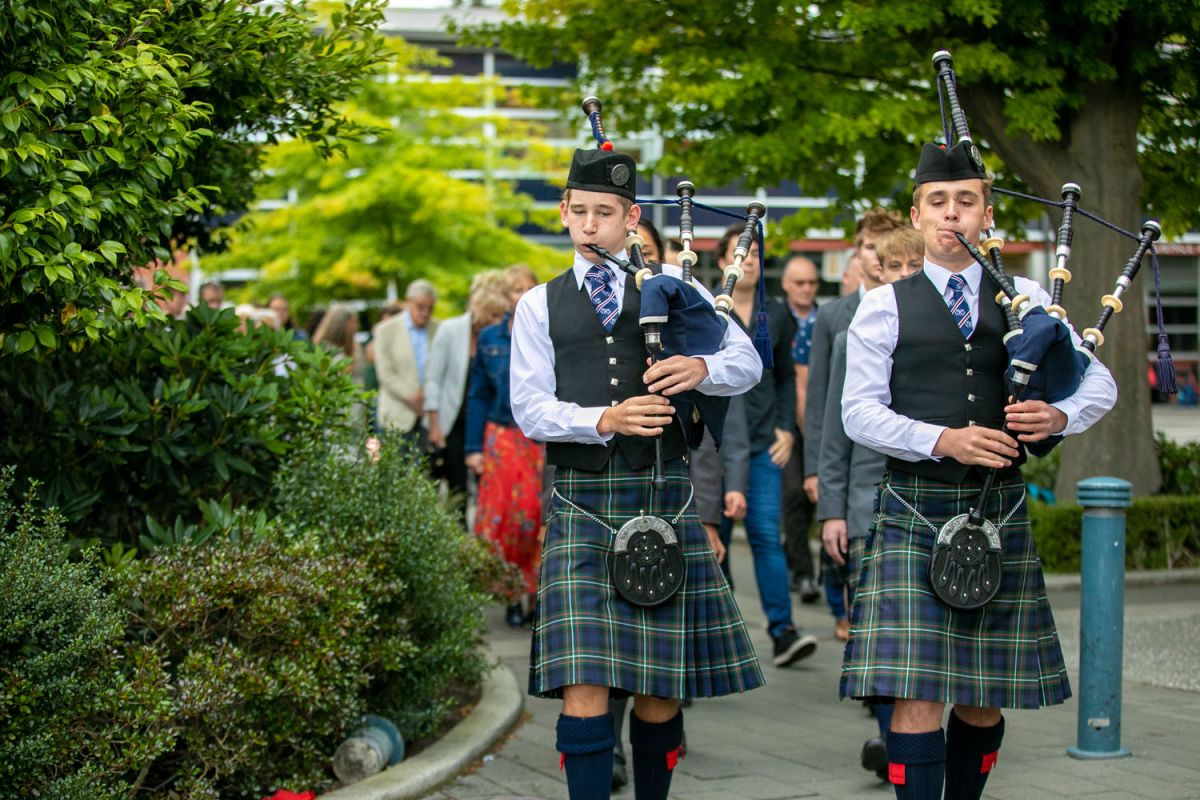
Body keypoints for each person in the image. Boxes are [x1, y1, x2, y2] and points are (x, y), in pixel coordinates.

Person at [839, 141, 1117, 800]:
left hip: (998, 512)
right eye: (938, 202)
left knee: (985, 697)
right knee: (916, 696)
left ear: (987, 214)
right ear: (917, 214)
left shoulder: (1028, 298)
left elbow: (1098, 382)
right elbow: (858, 413)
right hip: (914, 506)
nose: (952, 213)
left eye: (966, 201)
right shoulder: (883, 305)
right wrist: (945, 440)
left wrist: (1059, 415)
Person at [510, 145, 764, 800]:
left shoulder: (676, 289)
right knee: (584, 684)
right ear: (564, 212)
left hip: (662, 495)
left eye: (606, 213)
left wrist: (703, 368)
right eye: (580, 211)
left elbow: (747, 363)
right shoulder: (538, 304)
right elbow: (529, 408)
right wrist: (606, 418)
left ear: (630, 219)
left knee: (660, 685)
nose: (591, 225)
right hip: (582, 502)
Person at [818, 225, 924, 781]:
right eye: (895, 266)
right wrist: (831, 510)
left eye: (915, 266)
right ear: (876, 271)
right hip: (865, 501)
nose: (904, 275)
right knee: (879, 635)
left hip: (926, 499)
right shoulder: (850, 336)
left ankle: (916, 735)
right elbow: (835, 432)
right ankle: (890, 738)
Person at [713, 223, 818, 668]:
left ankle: (782, 632)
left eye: (756, 253)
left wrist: (786, 428)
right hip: (714, 447)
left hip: (762, 445)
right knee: (713, 540)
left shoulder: (774, 314)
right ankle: (719, 638)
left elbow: (785, 379)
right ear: (724, 262)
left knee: (766, 537)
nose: (750, 260)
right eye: (741, 252)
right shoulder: (708, 308)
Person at [465, 265, 541, 627]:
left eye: (527, 288)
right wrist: (472, 448)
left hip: (537, 439)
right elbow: (478, 394)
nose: (521, 295)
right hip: (501, 436)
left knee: (535, 517)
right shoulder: (490, 338)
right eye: (514, 289)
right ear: (505, 296)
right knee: (503, 520)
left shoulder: (548, 332)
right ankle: (511, 595)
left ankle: (537, 597)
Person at [426, 272, 509, 511]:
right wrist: (434, 424)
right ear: (479, 308)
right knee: (457, 490)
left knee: (488, 487)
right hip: (452, 423)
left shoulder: (498, 339)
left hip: (486, 423)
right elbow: (433, 380)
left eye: (500, 315)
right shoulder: (450, 330)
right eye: (493, 314)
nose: (497, 320)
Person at [778, 255, 822, 604]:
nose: (807, 289)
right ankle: (802, 571)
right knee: (794, 493)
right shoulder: (777, 319)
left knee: (817, 497)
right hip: (788, 425)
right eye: (800, 283)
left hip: (822, 422)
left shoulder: (825, 319)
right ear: (786, 285)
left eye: (812, 283)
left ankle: (805, 561)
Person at [374, 280, 440, 449]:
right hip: (396, 415)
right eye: (420, 307)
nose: (425, 313)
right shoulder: (386, 329)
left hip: (428, 417)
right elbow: (385, 373)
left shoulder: (438, 329)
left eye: (430, 308)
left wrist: (428, 398)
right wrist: (412, 397)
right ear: (408, 302)